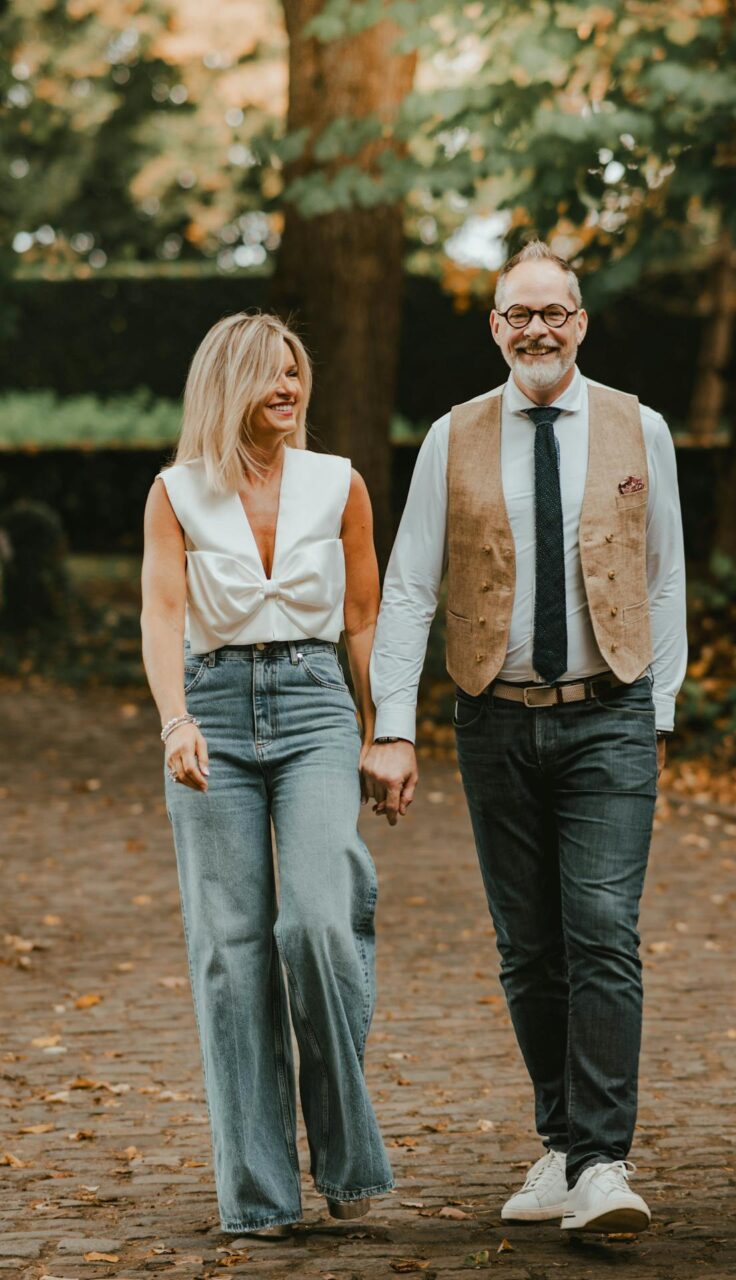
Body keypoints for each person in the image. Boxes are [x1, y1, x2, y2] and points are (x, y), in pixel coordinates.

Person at [363, 241, 687, 1235]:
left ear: (581, 323)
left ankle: (600, 1160)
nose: (537, 329)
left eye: (555, 312)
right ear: (494, 325)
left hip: (609, 714)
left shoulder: (640, 427)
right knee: (526, 947)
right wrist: (392, 727)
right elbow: (411, 584)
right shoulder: (451, 436)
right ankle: (562, 1142)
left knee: (599, 931)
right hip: (493, 718)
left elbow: (663, 574)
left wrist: (657, 713)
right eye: (518, 314)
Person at [140, 311, 393, 1236]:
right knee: (229, 953)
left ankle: (344, 1153)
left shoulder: (340, 484)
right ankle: (259, 1196)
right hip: (210, 710)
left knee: (318, 923)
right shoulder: (175, 493)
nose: (287, 388)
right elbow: (162, 616)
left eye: (295, 372)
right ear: (226, 384)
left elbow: (361, 619)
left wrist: (384, 733)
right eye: (267, 374)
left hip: (315, 701)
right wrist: (174, 723)